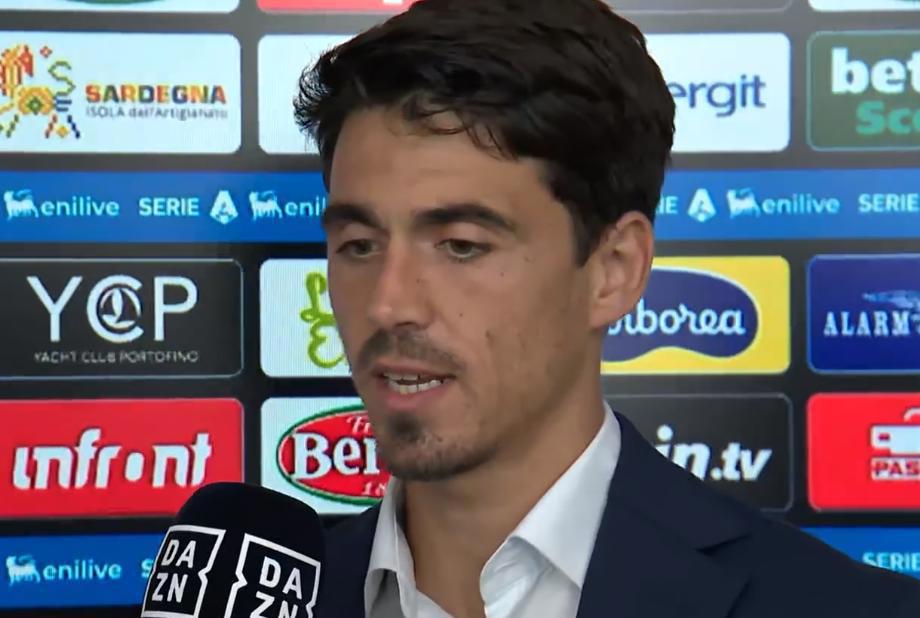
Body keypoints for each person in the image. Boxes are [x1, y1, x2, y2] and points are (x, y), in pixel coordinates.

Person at [294, 0, 920, 616]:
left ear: (613, 270)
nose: (388, 303)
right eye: (359, 245)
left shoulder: (846, 608)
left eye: (461, 245)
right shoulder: (270, 595)